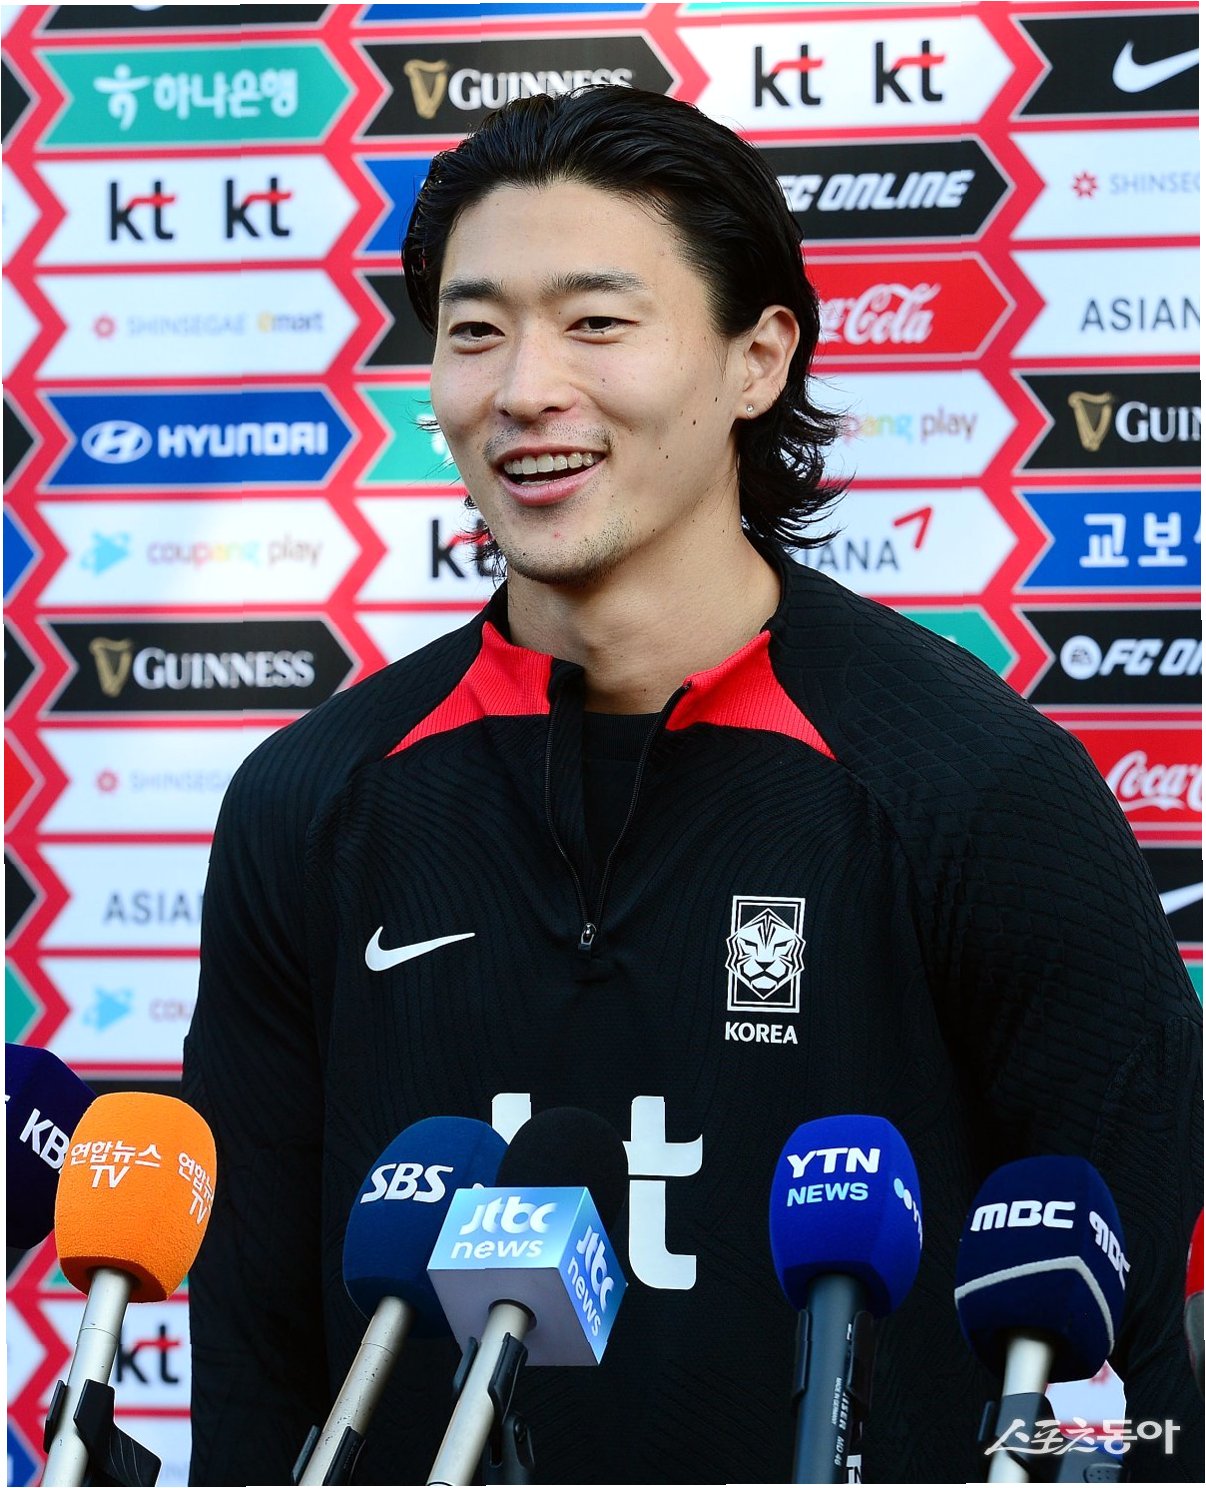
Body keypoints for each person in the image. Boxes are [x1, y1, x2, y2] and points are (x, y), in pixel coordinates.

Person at [182, 86, 1203, 1484]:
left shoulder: (979, 787)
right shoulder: (308, 803)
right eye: (474, 332)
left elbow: (1146, 1364)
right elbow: (251, 1361)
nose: (524, 388)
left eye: (597, 323)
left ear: (756, 359)